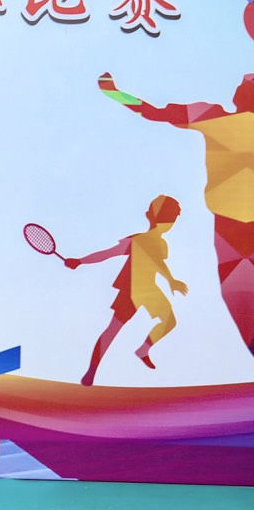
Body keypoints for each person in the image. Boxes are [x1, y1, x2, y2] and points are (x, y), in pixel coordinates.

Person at [100, 72, 254, 357]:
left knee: (241, 306)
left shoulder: (212, 115)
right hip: (230, 227)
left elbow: (152, 112)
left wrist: (114, 92)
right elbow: (153, 113)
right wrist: (114, 92)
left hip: (229, 227)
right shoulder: (211, 116)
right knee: (241, 306)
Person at [64, 195, 188, 385]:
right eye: (168, 218)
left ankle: (143, 350)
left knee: (169, 321)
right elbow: (108, 254)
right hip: (131, 290)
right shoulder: (136, 241)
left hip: (148, 289)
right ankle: (92, 370)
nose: (169, 223)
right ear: (150, 216)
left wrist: (171, 281)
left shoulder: (161, 244)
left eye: (171, 220)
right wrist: (80, 261)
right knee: (112, 331)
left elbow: (158, 264)